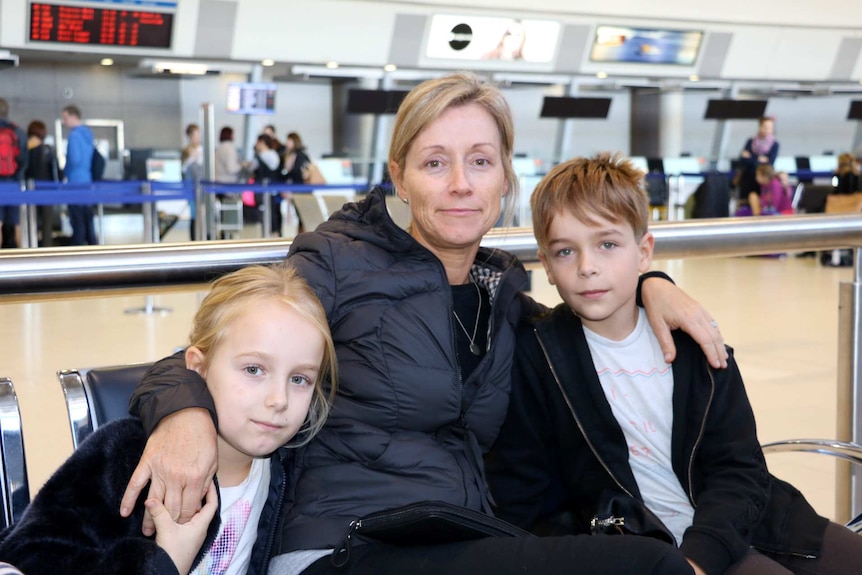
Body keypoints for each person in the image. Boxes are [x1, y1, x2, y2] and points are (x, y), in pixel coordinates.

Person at [122, 72, 726, 575]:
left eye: (480, 162)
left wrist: (652, 284)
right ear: (400, 177)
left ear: (505, 176)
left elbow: (586, 315)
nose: (461, 183)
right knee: (652, 569)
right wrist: (182, 414)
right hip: (344, 546)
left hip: (463, 537)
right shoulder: (339, 261)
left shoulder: (504, 290)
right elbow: (222, 349)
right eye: (435, 163)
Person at [487, 152, 862, 575]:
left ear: (644, 251)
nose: (588, 268)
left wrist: (700, 555)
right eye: (565, 251)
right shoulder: (541, 359)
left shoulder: (694, 342)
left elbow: (738, 467)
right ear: (547, 265)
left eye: (607, 244)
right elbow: (526, 494)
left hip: (748, 520)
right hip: (641, 546)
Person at [0, 263, 338, 575]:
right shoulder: (128, 454)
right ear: (197, 366)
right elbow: (28, 555)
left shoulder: (289, 467)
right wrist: (164, 561)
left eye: (299, 379)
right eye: (253, 369)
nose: (278, 400)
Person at [61, 104, 97, 245]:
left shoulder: (74, 135)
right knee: (87, 219)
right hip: (86, 180)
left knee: (77, 220)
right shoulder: (87, 134)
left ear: (73, 116)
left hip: (75, 181)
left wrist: (65, 170)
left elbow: (74, 159)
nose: (64, 121)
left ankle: (77, 250)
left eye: (65, 117)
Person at [25, 119, 61, 247]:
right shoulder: (48, 150)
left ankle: (31, 247)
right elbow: (56, 172)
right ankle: (47, 249)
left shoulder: (25, 149)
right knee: (46, 224)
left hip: (30, 190)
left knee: (30, 222)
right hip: (47, 191)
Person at [735, 116, 779, 214]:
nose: (767, 130)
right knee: (745, 205)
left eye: (770, 127)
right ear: (760, 126)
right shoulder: (751, 142)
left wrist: (751, 157)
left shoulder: (774, 144)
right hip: (747, 181)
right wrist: (759, 159)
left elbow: (769, 162)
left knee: (759, 206)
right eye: (765, 126)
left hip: (763, 183)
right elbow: (742, 160)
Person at [0, 98, 28, 249]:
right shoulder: (18, 132)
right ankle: (21, 259)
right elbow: (24, 159)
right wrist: (17, 178)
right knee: (16, 223)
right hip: (14, 183)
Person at [250, 133, 286, 236]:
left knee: (272, 213)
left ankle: (274, 233)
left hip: (269, 190)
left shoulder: (269, 155)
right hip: (263, 190)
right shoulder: (263, 155)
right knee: (267, 214)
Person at [182, 123, 204, 241]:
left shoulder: (201, 150)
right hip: (192, 187)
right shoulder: (187, 151)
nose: (197, 137)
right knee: (195, 214)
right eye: (196, 134)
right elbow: (185, 169)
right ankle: (195, 239)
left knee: (200, 214)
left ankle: (200, 237)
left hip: (199, 187)